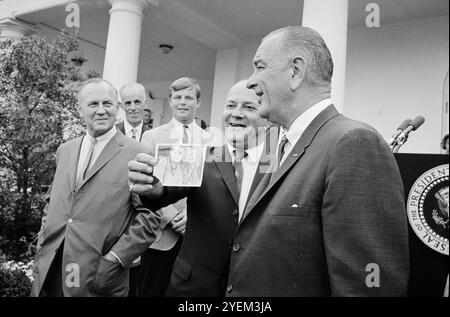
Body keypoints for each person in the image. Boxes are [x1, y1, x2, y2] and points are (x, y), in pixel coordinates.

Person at [232, 26, 408, 296]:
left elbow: (367, 288)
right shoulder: (279, 145)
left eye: (260, 66)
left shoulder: (353, 143)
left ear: (295, 71)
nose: (250, 82)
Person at [128, 80, 273, 296]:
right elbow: (163, 191)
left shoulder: (279, 165)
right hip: (193, 290)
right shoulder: (203, 155)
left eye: (249, 107)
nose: (236, 114)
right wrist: (150, 186)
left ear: (267, 118)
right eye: (230, 106)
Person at [30, 78, 160, 297]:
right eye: (93, 104)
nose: (101, 111)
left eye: (107, 104)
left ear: (117, 108)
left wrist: (115, 259)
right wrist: (41, 246)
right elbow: (52, 204)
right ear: (80, 109)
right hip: (50, 270)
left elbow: (151, 216)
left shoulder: (139, 152)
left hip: (98, 276)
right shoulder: (65, 150)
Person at [137, 77, 210, 296]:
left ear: (198, 102)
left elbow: (215, 188)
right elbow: (142, 184)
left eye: (188, 97)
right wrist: (171, 216)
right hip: (160, 236)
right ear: (170, 101)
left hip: (196, 236)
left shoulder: (211, 141)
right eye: (177, 97)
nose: (182, 102)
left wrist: (191, 215)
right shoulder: (151, 137)